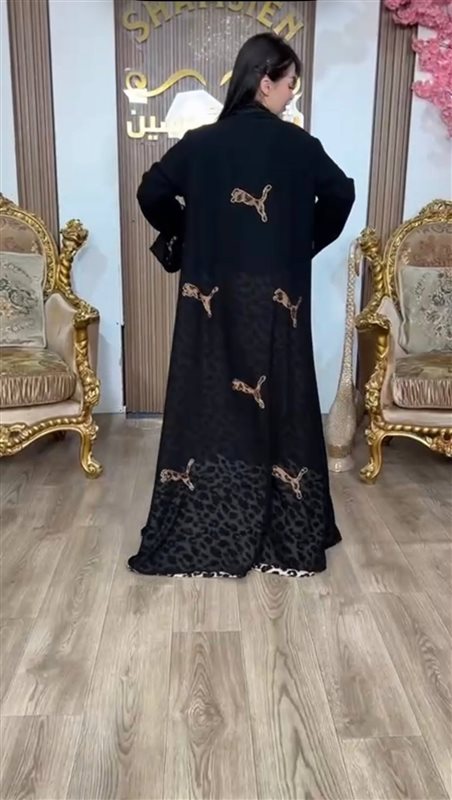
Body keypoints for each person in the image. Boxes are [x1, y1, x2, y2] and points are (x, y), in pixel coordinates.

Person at [128, 32, 355, 579]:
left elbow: (151, 192)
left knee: (212, 398)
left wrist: (190, 233)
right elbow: (341, 194)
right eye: (289, 84)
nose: (292, 95)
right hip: (279, 299)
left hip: (214, 293)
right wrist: (301, 242)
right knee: (281, 399)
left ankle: (213, 513)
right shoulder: (299, 146)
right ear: (264, 81)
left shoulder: (202, 143)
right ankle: (285, 525)